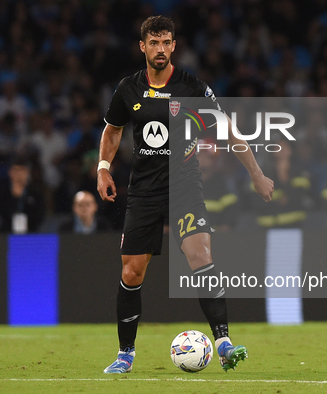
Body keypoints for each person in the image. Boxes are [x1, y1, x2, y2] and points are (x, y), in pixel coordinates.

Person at [97, 16, 274, 374]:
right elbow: (113, 130)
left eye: (166, 42)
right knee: (131, 271)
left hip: (184, 187)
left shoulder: (193, 88)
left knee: (200, 254)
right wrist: (103, 167)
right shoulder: (128, 89)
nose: (160, 49)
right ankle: (125, 354)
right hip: (144, 191)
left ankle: (223, 342)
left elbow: (228, 131)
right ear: (142, 47)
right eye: (154, 43)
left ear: (174, 46)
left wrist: (256, 173)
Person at [0, 157, 45, 234]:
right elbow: (2, 214)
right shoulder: (2, 194)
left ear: (27, 173)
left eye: (22, 171)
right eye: (16, 171)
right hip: (7, 234)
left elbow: (39, 215)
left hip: (31, 234)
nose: (19, 175)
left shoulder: (36, 194)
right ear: (10, 172)